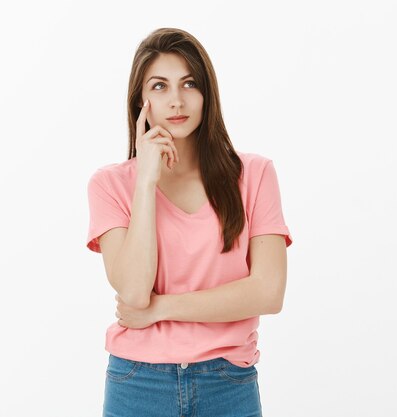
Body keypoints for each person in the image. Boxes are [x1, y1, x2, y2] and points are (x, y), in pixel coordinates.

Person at [86, 27, 293, 417]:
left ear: (207, 93)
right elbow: (132, 292)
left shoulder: (255, 174)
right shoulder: (111, 185)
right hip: (138, 383)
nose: (177, 101)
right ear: (140, 100)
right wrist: (145, 181)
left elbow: (269, 292)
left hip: (228, 381)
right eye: (160, 86)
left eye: (189, 83)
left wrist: (160, 309)